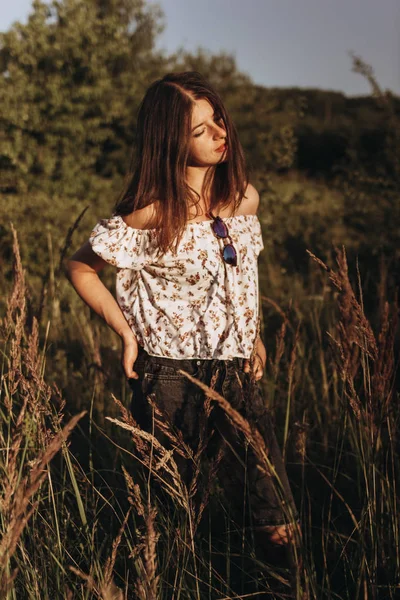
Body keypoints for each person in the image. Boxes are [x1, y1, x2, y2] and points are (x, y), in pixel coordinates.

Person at [67, 71, 300, 588]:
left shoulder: (244, 199)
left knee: (275, 516)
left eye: (218, 118)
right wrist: (126, 333)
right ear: (171, 140)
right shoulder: (150, 214)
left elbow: (242, 277)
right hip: (169, 378)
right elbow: (80, 267)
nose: (220, 132)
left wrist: (253, 332)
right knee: (169, 517)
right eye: (200, 129)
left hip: (235, 371)